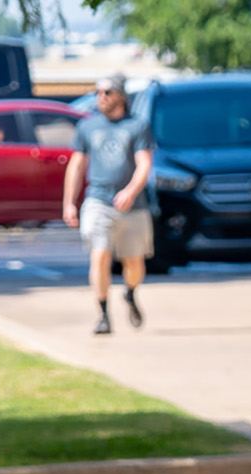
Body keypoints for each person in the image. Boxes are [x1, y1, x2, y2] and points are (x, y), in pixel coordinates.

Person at [62, 73, 153, 336]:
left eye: (107, 92)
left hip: (133, 206)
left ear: (121, 96)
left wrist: (131, 192)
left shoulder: (137, 126)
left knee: (134, 263)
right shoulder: (88, 127)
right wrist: (69, 203)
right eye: (98, 92)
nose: (101, 97)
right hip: (98, 200)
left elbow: (144, 164)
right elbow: (76, 166)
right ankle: (103, 314)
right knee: (99, 254)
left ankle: (130, 292)